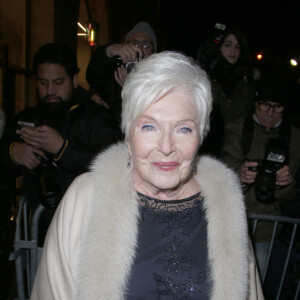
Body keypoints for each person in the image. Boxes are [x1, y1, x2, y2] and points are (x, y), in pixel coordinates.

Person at [31, 51, 263, 299]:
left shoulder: (224, 204)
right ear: (128, 134)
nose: (166, 147)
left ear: (201, 137)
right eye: (149, 127)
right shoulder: (87, 197)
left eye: (184, 129)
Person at [0, 43, 121, 243]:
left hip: (85, 236)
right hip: (36, 238)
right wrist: (14, 151)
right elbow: (4, 155)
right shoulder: (28, 118)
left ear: (74, 80)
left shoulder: (96, 118)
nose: (50, 90)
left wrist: (62, 150)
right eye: (42, 83)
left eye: (58, 82)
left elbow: (115, 165)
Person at [221, 73, 300, 278]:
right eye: (265, 104)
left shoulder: (294, 136)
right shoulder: (238, 127)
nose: (271, 112)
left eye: (278, 106)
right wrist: (240, 173)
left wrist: (285, 183)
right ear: (255, 103)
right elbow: (223, 166)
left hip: (267, 227)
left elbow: (291, 191)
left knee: (256, 282)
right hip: (234, 220)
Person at [197, 25, 256, 156]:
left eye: (237, 47)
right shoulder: (205, 78)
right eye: (228, 45)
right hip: (208, 147)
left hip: (235, 149)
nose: (233, 50)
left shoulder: (247, 83)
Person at [86, 21, 157, 125]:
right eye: (135, 43)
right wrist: (109, 51)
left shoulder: (162, 80)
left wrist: (130, 90)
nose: (140, 49)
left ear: (153, 52)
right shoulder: (116, 77)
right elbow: (93, 75)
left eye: (146, 44)